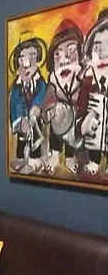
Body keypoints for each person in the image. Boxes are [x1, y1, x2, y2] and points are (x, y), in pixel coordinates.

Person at [42, 19, 84, 175]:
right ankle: (55, 153)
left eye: (71, 51)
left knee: (74, 132)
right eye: (58, 54)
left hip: (75, 122)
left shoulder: (82, 80)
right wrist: (49, 110)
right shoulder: (54, 82)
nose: (65, 59)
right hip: (58, 122)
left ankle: (70, 157)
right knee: (57, 122)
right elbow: (48, 99)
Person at [9, 33, 47, 173]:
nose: (27, 63)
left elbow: (43, 94)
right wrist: (20, 120)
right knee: (22, 138)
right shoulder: (16, 88)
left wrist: (37, 107)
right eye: (22, 58)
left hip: (35, 119)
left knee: (36, 135)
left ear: (37, 58)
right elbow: (14, 104)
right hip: (23, 121)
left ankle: (34, 157)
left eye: (32, 56)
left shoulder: (41, 83)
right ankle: (21, 157)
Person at [76, 9, 108, 176]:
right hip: (93, 144)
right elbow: (80, 111)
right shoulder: (88, 82)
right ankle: (95, 160)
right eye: (97, 46)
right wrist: (84, 123)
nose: (102, 53)